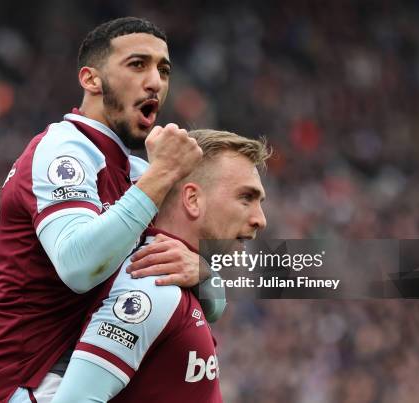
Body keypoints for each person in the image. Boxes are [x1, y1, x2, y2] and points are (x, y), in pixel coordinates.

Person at [0, 17, 223, 403]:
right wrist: (162, 174)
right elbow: (79, 266)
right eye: (137, 65)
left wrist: (203, 272)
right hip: (17, 388)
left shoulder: (135, 173)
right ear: (91, 79)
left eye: (163, 70)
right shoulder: (62, 150)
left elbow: (215, 305)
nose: (155, 82)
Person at [50, 129, 270, 402]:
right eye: (246, 198)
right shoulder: (152, 287)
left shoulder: (180, 282)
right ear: (192, 200)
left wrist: (207, 275)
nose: (260, 220)